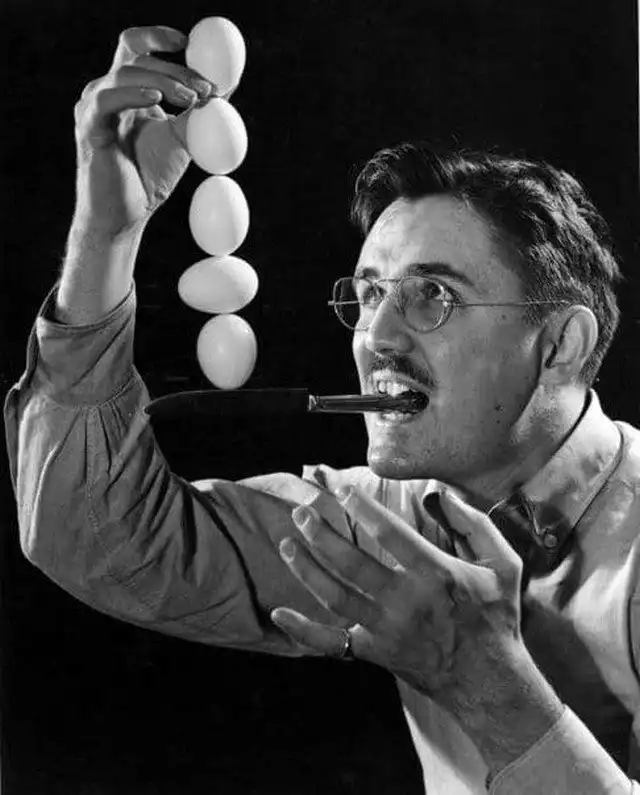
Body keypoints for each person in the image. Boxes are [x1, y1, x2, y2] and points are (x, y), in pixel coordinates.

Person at [5, 23, 640, 795]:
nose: (375, 337)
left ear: (562, 343)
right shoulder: (386, 520)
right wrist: (106, 234)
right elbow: (93, 535)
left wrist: (485, 685)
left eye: (432, 294)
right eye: (369, 295)